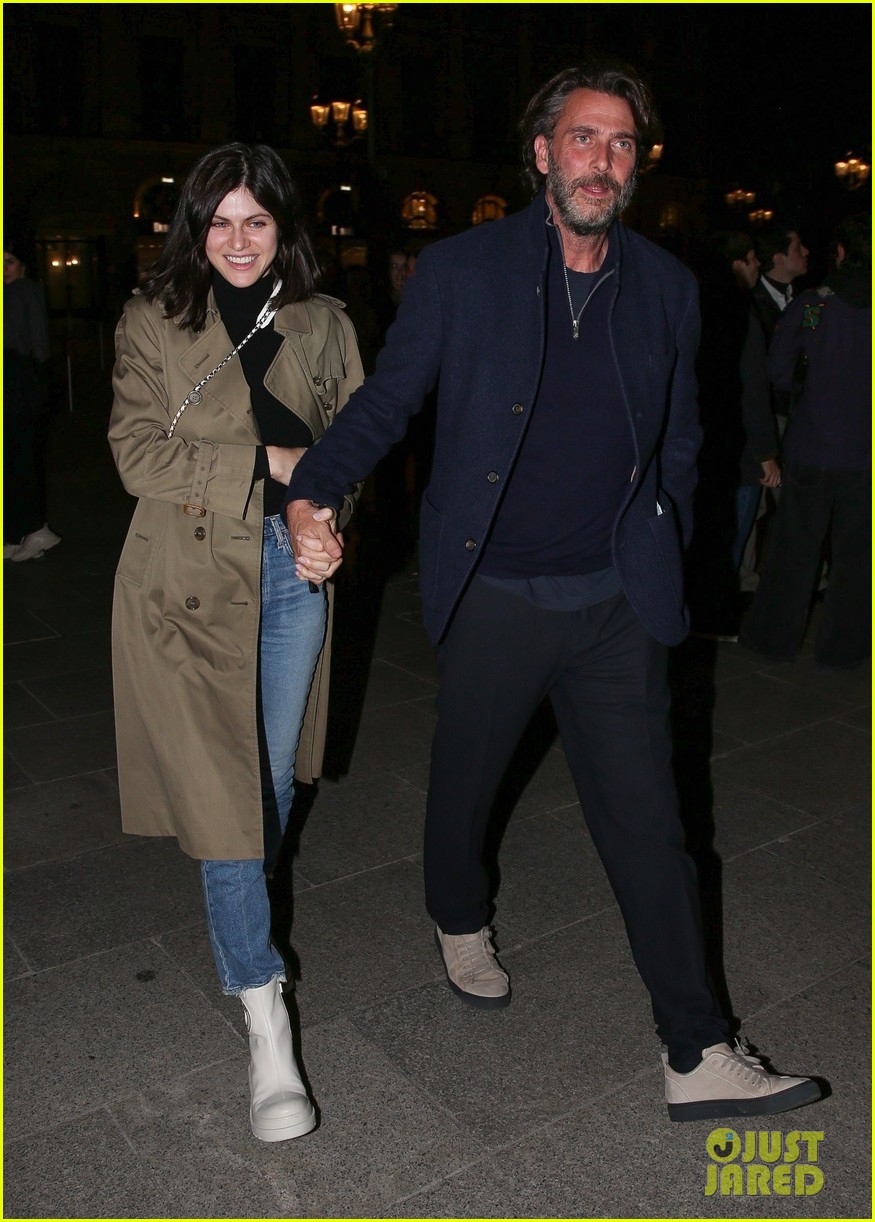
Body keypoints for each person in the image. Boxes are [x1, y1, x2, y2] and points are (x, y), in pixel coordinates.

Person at [283, 63, 820, 1122]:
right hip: (497, 590)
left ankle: (695, 1047)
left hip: (615, 601)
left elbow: (680, 436)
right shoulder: (462, 272)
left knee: (649, 826)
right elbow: (388, 398)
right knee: (465, 784)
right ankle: (457, 912)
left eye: (621, 145)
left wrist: (659, 539)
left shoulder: (666, 289)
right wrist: (313, 490)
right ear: (540, 154)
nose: (602, 161)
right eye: (583, 139)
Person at [107, 143, 363, 1142]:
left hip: (291, 572)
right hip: (184, 575)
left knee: (264, 790)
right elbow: (136, 450)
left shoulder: (326, 322)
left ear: (283, 226)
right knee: (228, 805)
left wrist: (326, 509)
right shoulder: (152, 319)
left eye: (255, 220)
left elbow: (357, 439)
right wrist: (271, 459)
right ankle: (266, 1022)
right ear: (192, 228)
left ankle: (242, 923)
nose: (237, 240)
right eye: (218, 221)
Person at [740, 212, 871, 669]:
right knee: (856, 558)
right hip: (864, 453)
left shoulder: (817, 304)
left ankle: (774, 638)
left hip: (814, 446)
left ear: (839, 253)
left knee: (796, 548)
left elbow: (778, 370)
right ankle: (846, 650)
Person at [687, 232, 780, 635]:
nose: (757, 265)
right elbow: (753, 386)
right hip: (735, 447)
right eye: (752, 258)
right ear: (738, 263)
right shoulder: (738, 310)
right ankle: (714, 613)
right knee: (729, 535)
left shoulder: (699, 303)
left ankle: (705, 608)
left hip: (707, 440)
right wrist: (765, 451)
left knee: (711, 533)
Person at [3, 238, 62, 561]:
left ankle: (35, 530)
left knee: (19, 460)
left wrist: (35, 388)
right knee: (11, 462)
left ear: (22, 265)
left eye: (9, 262)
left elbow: (37, 344)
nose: (3, 269)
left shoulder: (25, 290)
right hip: (12, 380)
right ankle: (16, 531)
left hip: (18, 382)